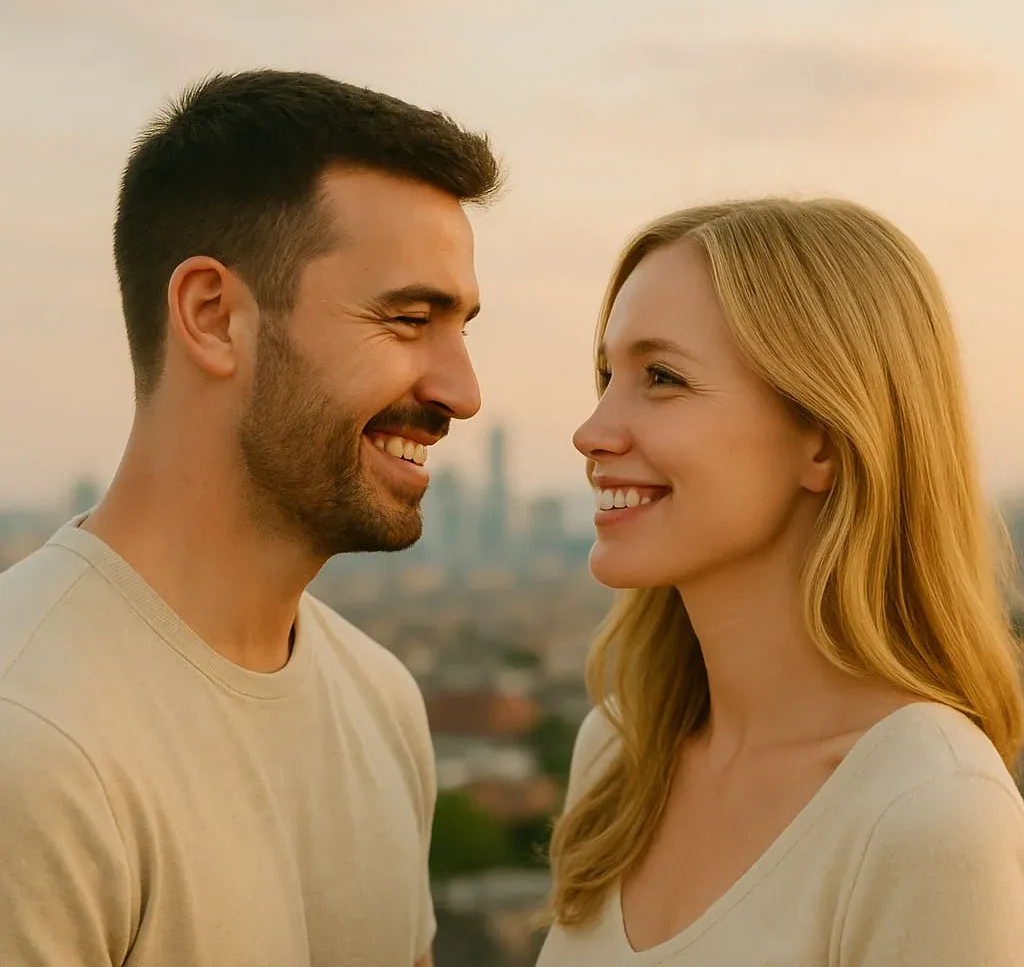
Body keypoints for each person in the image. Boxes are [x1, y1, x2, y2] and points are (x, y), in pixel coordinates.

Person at [0, 70, 501, 966]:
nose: (461, 391)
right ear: (213, 315)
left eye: (461, 326)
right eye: (408, 318)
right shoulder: (32, 745)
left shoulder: (382, 698)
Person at [537, 198, 1024, 965]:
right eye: (607, 374)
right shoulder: (618, 754)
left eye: (661, 377)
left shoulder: (930, 814)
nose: (591, 431)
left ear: (824, 441)